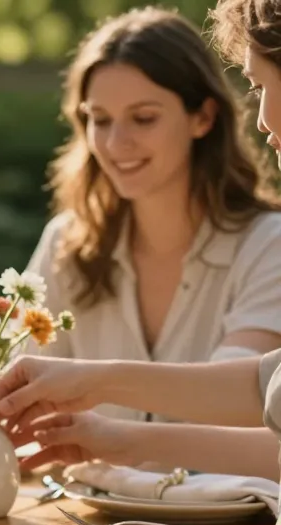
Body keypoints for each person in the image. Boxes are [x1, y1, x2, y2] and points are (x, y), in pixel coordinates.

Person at [25, 7, 281, 424]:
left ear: (203, 117)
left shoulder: (270, 244)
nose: (115, 142)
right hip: (79, 491)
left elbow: (243, 406)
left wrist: (95, 391)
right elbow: (19, 399)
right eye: (99, 120)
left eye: (143, 118)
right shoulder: (64, 245)